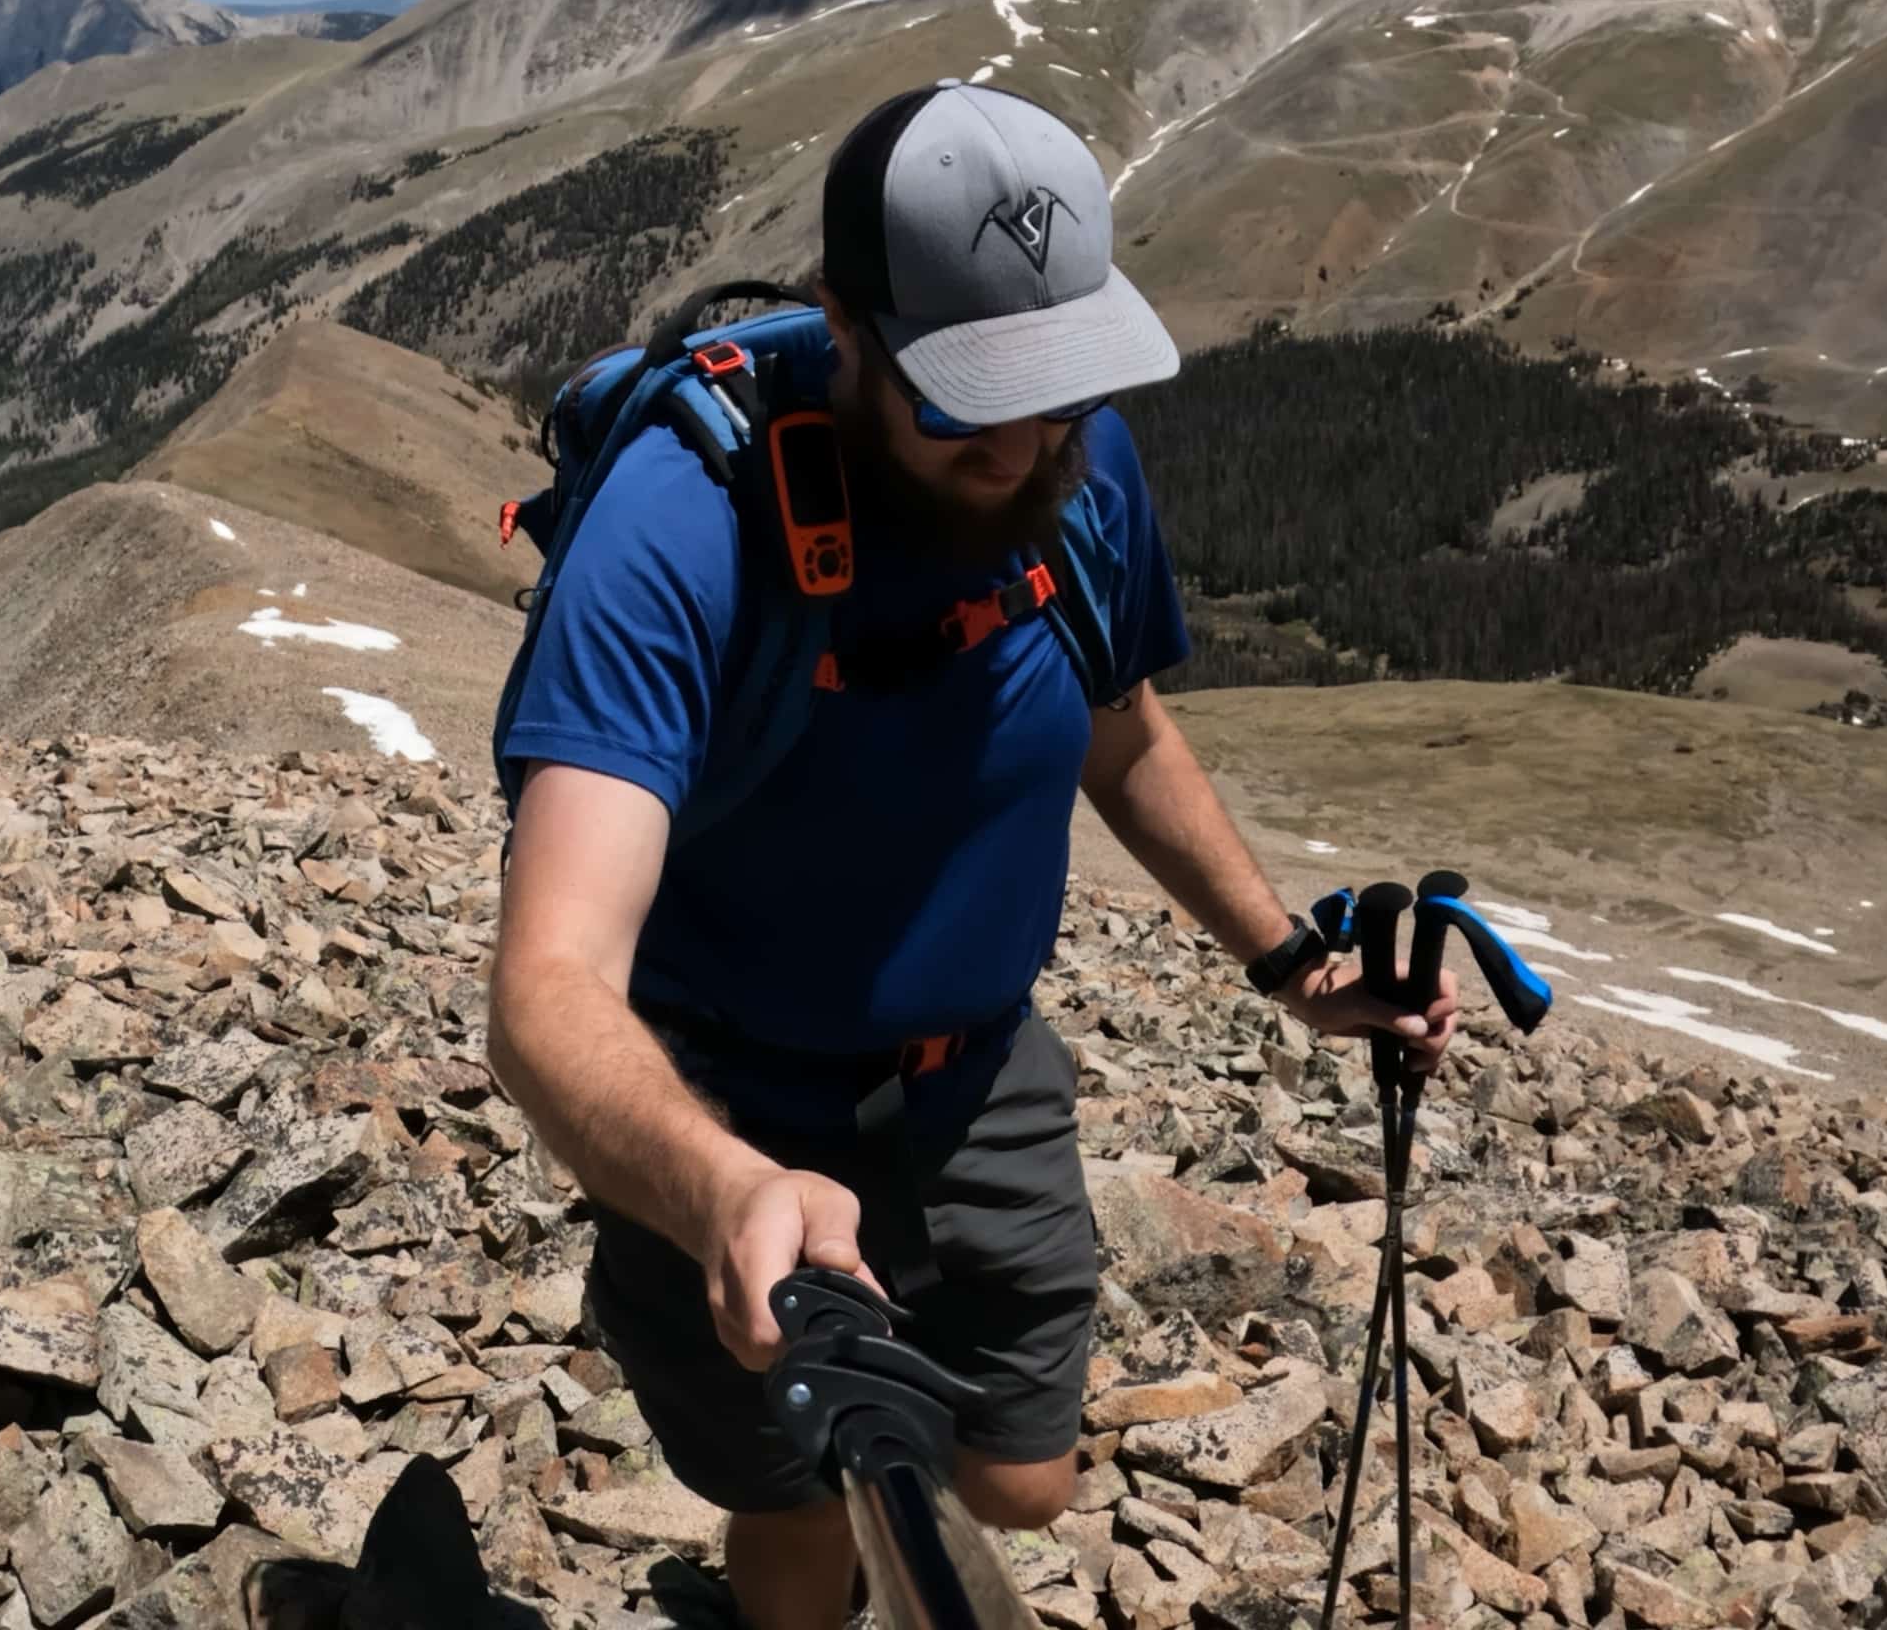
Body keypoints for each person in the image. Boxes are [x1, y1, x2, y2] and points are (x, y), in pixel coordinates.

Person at [483, 82, 1461, 1630]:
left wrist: (1289, 960)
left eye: (1058, 392)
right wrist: (728, 1187)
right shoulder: (681, 528)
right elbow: (546, 983)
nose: (1021, 447)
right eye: (967, 402)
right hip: (727, 1099)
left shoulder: (1083, 467)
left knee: (1021, 1484)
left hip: (977, 1079)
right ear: (846, 331)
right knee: (798, 1505)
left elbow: (1121, 732)